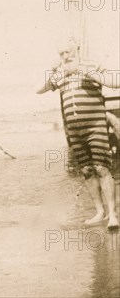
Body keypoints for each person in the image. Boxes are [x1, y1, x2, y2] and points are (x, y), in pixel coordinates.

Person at [37, 38, 119, 230]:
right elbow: (38, 89)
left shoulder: (92, 65)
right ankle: (99, 212)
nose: (65, 56)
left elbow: (116, 82)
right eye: (61, 53)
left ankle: (113, 215)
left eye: (68, 51)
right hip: (75, 130)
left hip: (95, 126)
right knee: (87, 170)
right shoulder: (60, 72)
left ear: (77, 49)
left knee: (102, 168)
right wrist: (52, 70)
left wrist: (88, 73)